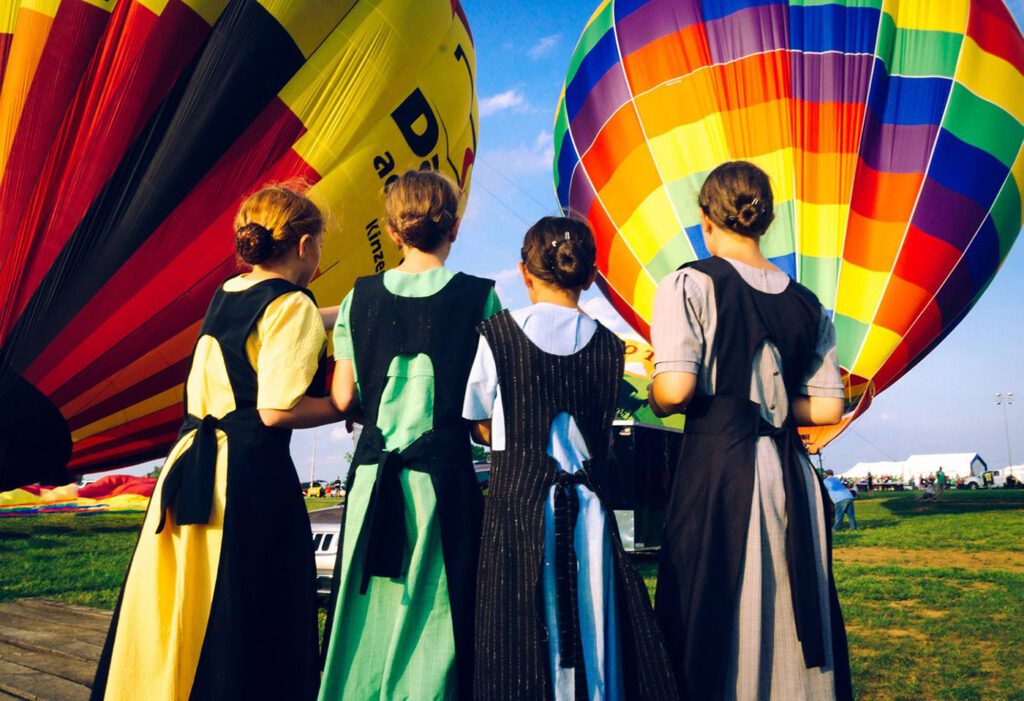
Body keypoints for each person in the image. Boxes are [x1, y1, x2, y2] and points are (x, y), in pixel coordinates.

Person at [92, 184, 343, 700]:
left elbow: (269, 326)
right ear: (303, 246)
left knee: (182, 595)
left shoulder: (228, 292)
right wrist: (344, 407)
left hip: (189, 463)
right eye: (319, 242)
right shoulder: (293, 303)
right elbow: (276, 409)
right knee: (243, 604)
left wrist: (345, 310)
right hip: (247, 477)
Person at [648, 161, 852, 700]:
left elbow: (674, 390)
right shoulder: (808, 302)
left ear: (704, 219)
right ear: (766, 218)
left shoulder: (690, 283)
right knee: (793, 605)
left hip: (721, 471)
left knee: (713, 611)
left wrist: (654, 389)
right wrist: (777, 404)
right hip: (793, 473)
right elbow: (829, 408)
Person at [465, 216, 677, 700]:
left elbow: (478, 421)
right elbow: (599, 431)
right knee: (591, 620)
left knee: (518, 632)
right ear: (588, 276)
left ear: (525, 272)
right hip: (588, 508)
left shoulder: (497, 334)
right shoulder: (608, 345)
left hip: (518, 507)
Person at [319, 170, 501, 701]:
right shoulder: (480, 299)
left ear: (393, 232)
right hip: (443, 482)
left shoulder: (360, 298)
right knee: (436, 613)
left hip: (374, 479)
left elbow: (345, 398)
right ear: (455, 226)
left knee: (364, 610)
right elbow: (486, 409)